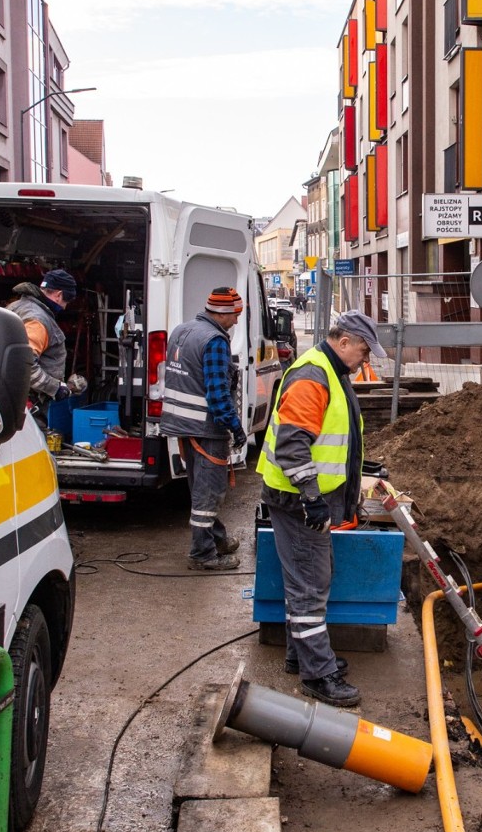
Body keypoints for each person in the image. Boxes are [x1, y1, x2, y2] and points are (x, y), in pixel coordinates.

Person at [256, 309, 387, 708]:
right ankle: (318, 675)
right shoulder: (314, 374)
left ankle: (303, 655)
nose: (365, 360)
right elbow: (293, 443)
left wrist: (358, 470)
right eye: (363, 351)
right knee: (311, 586)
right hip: (299, 501)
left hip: (305, 498)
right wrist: (312, 497)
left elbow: (327, 437)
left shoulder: (329, 372)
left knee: (311, 578)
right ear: (343, 341)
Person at [159, 286, 248, 572]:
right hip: (205, 428)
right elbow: (218, 395)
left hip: (183, 425)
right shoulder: (215, 341)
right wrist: (236, 428)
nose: (236, 321)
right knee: (208, 494)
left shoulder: (182, 331)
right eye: (235, 315)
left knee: (200, 487)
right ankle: (203, 554)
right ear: (222, 313)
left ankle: (217, 538)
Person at [7, 268, 83, 416]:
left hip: (10, 397)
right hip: (24, 404)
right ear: (59, 294)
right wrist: (54, 388)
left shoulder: (17, 307)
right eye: (67, 300)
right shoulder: (38, 320)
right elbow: (25, 365)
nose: (65, 306)